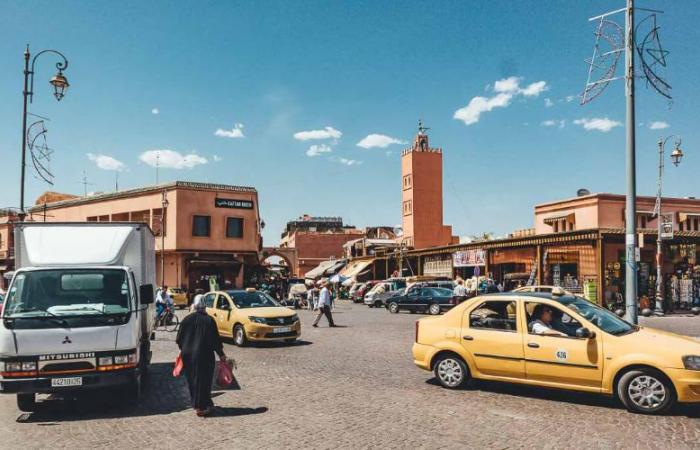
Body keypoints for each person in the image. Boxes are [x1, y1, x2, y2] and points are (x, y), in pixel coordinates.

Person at [176, 296, 229, 417]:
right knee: (204, 381)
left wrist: (183, 350)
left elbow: (179, 339)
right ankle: (202, 406)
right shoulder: (209, 320)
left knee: (192, 380)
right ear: (205, 306)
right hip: (204, 355)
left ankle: (199, 403)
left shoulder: (186, 320)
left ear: (194, 306)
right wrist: (221, 355)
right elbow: (215, 341)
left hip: (188, 355)